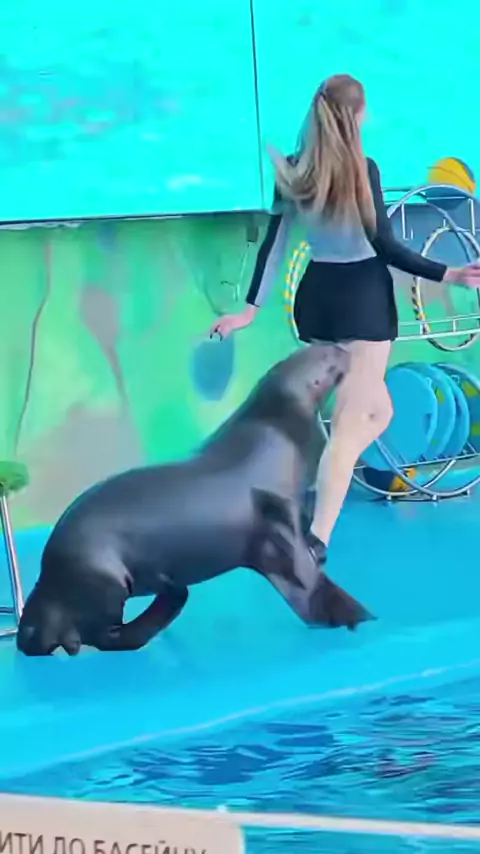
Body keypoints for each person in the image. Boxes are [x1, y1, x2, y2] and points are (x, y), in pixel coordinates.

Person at [210, 73, 480, 577]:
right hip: (362, 305)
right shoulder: (363, 168)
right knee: (351, 429)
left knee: (377, 410)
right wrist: (449, 272)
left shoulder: (294, 170)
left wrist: (249, 310)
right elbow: (386, 246)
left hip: (317, 302)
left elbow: (275, 247)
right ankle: (313, 541)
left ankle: (302, 498)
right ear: (357, 115)